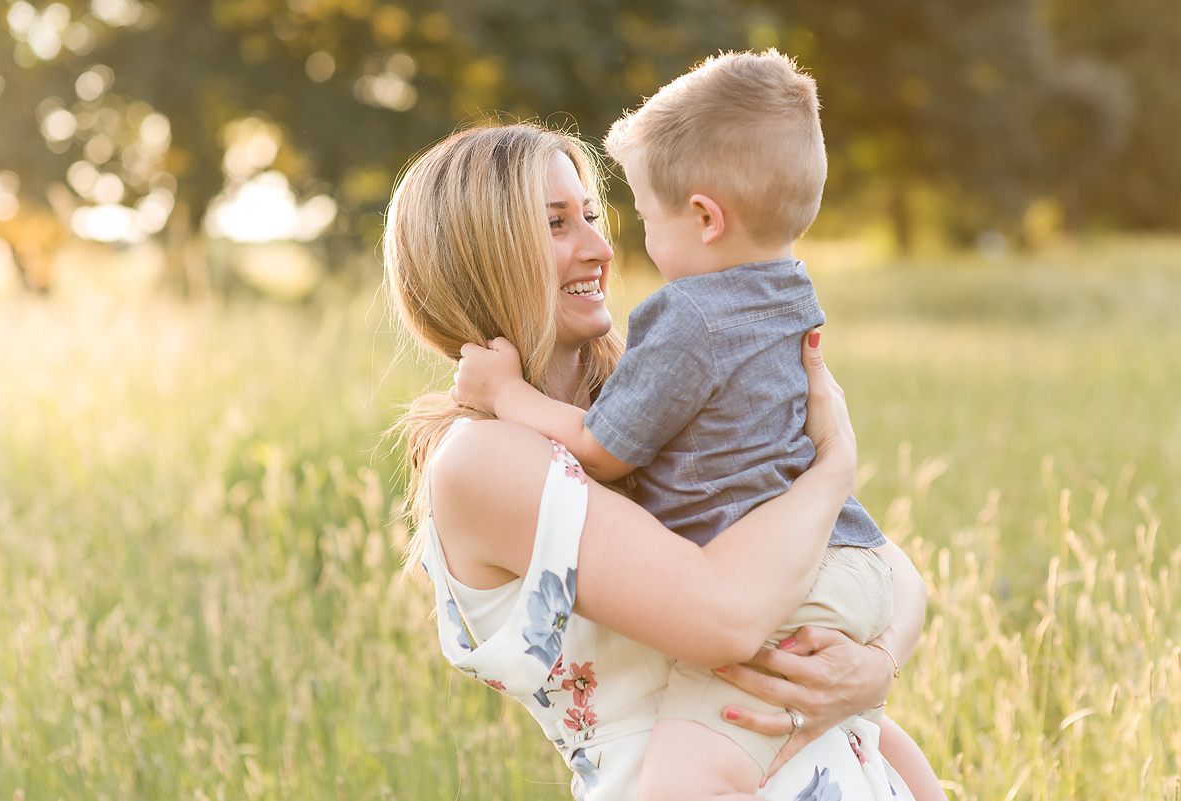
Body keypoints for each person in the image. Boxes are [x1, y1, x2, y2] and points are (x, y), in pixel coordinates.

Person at [387, 121, 929, 800]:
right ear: (480, 255)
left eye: (591, 215)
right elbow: (725, 619)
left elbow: (885, 564)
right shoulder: (479, 458)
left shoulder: (651, 400)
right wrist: (834, 466)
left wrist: (877, 662)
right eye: (557, 224)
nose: (599, 247)